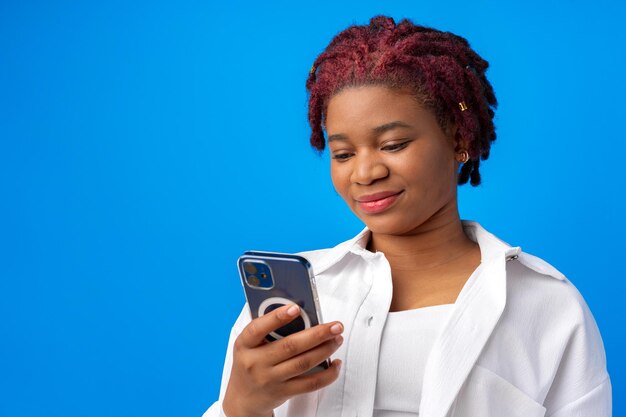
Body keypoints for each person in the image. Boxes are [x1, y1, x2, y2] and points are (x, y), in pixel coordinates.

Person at [203, 15, 612, 417]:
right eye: (343, 154)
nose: (365, 173)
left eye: (394, 144)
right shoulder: (291, 304)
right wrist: (242, 407)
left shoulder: (547, 306)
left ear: (457, 138)